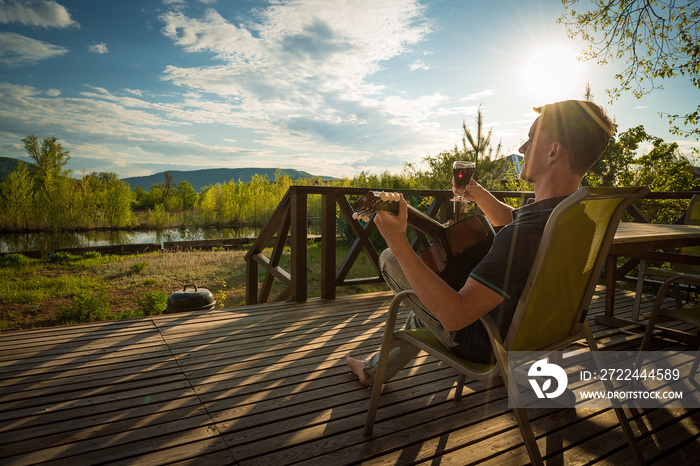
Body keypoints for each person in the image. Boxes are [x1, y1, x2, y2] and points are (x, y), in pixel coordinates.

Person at [346, 100, 615, 386]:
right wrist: (479, 194)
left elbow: (455, 315)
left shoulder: (525, 234)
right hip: (542, 333)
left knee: (391, 258)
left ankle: (371, 371)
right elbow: (514, 224)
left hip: (486, 342)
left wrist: (397, 241)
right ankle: (374, 370)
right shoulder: (576, 219)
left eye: (532, 138)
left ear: (553, 151)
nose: (522, 148)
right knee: (432, 288)